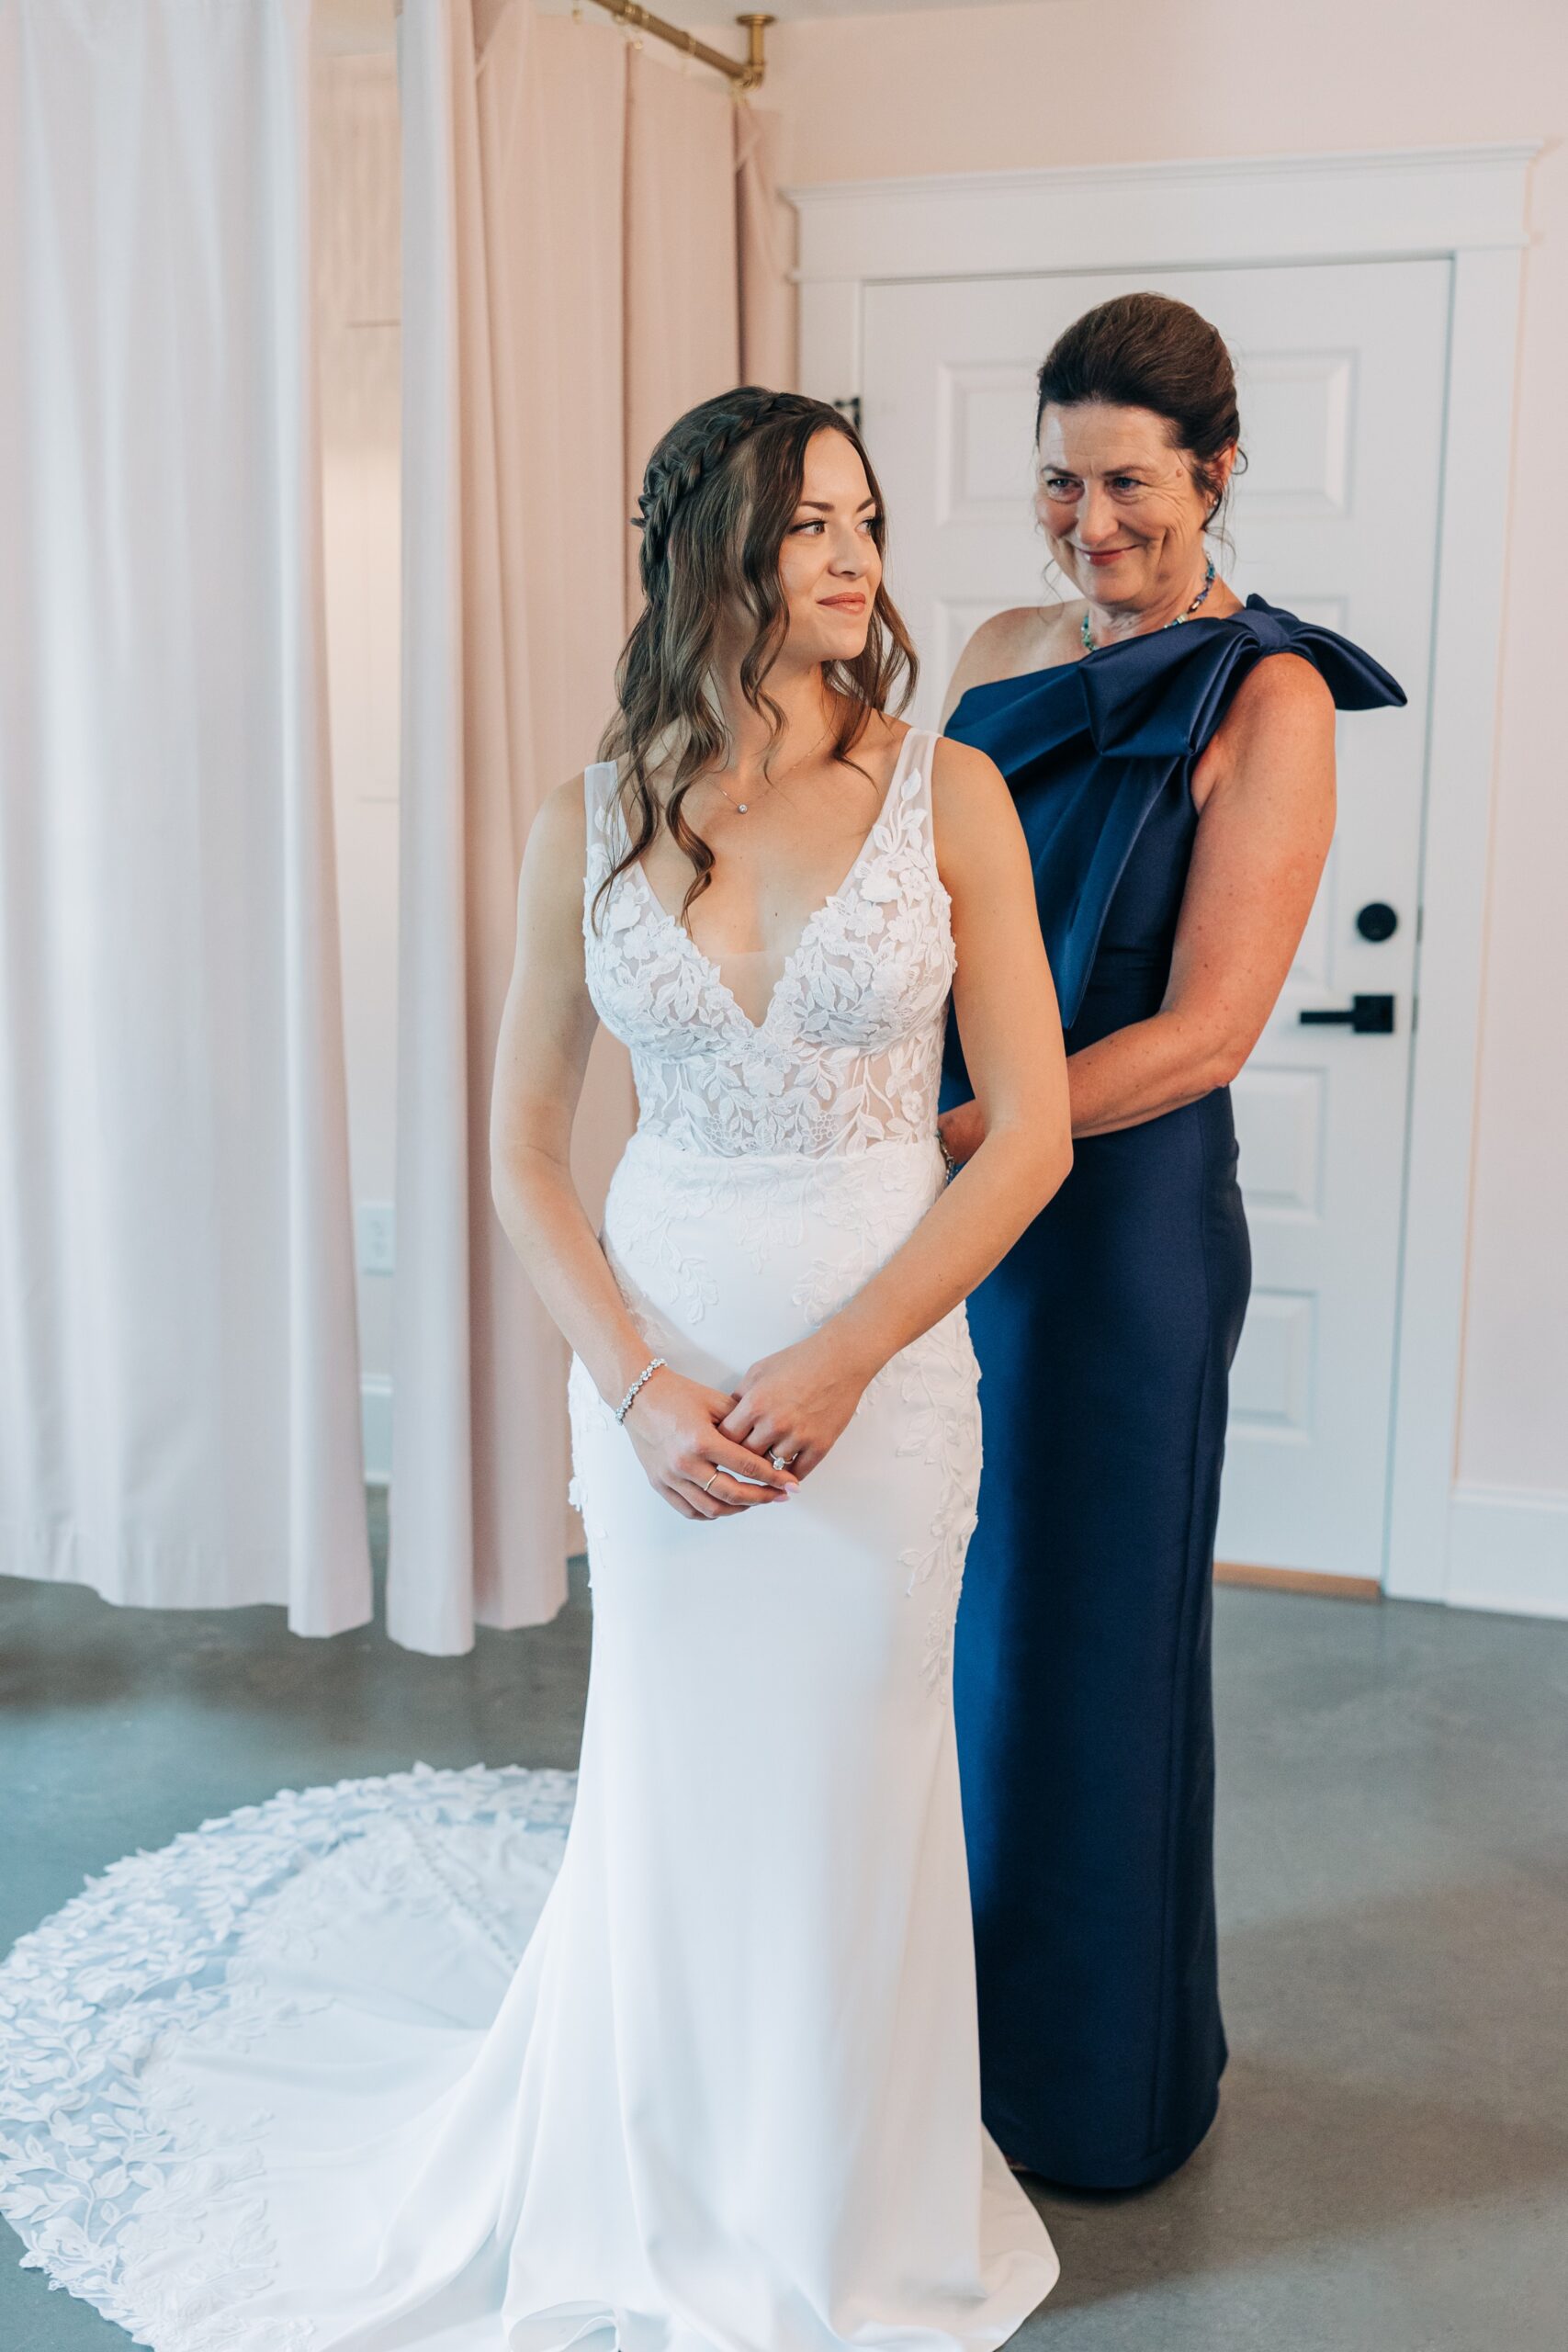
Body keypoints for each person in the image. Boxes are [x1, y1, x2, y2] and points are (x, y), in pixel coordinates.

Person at [0, 390, 1069, 2350]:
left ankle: (848, 2211)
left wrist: (836, 1360)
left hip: (882, 1375)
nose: (850, 557)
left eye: (863, 519)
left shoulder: (952, 792)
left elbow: (1027, 1135)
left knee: (854, 1772)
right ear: (703, 558)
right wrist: (641, 1384)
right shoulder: (584, 817)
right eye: (805, 522)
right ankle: (651, 2179)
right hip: (656, 1360)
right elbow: (514, 1146)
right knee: (675, 1772)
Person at [937, 292, 1405, 2192]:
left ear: (1214, 473)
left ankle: (1086, 2097)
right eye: (1057, 480)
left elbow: (1203, 1030)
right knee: (956, 1643)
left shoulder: (1267, 696)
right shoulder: (987, 646)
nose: (1086, 519)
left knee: (1083, 1652)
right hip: (942, 1219)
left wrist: (950, 1143)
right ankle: (934, 2041)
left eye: (1126, 480)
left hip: (1106, 1241)